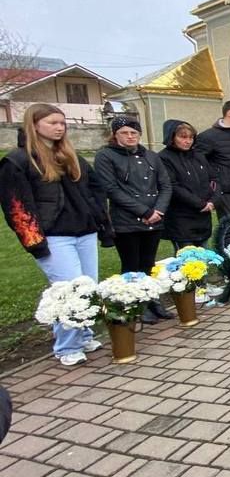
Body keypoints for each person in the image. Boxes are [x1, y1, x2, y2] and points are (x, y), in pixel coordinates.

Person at [0, 104, 112, 365]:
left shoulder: (71, 157)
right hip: (54, 235)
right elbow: (16, 207)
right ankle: (67, 346)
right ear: (34, 125)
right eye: (53, 123)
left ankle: (83, 333)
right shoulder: (18, 161)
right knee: (68, 291)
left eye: (62, 123)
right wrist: (35, 242)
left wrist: (101, 222)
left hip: (84, 231)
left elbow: (94, 189)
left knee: (88, 289)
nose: (59, 128)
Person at [95, 117, 174, 323]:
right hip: (126, 222)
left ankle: (152, 300)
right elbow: (111, 189)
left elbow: (165, 185)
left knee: (148, 264)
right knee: (131, 265)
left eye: (134, 133)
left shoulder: (151, 156)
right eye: (124, 133)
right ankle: (136, 304)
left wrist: (158, 211)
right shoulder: (106, 156)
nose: (130, 137)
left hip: (154, 219)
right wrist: (144, 212)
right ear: (115, 135)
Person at [158, 120, 219, 251]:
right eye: (183, 137)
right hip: (181, 216)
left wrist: (213, 201)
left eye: (191, 138)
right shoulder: (164, 158)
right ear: (172, 137)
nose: (188, 141)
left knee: (204, 255)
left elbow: (214, 179)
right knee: (187, 257)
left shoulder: (198, 156)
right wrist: (200, 204)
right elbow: (173, 186)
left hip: (203, 217)